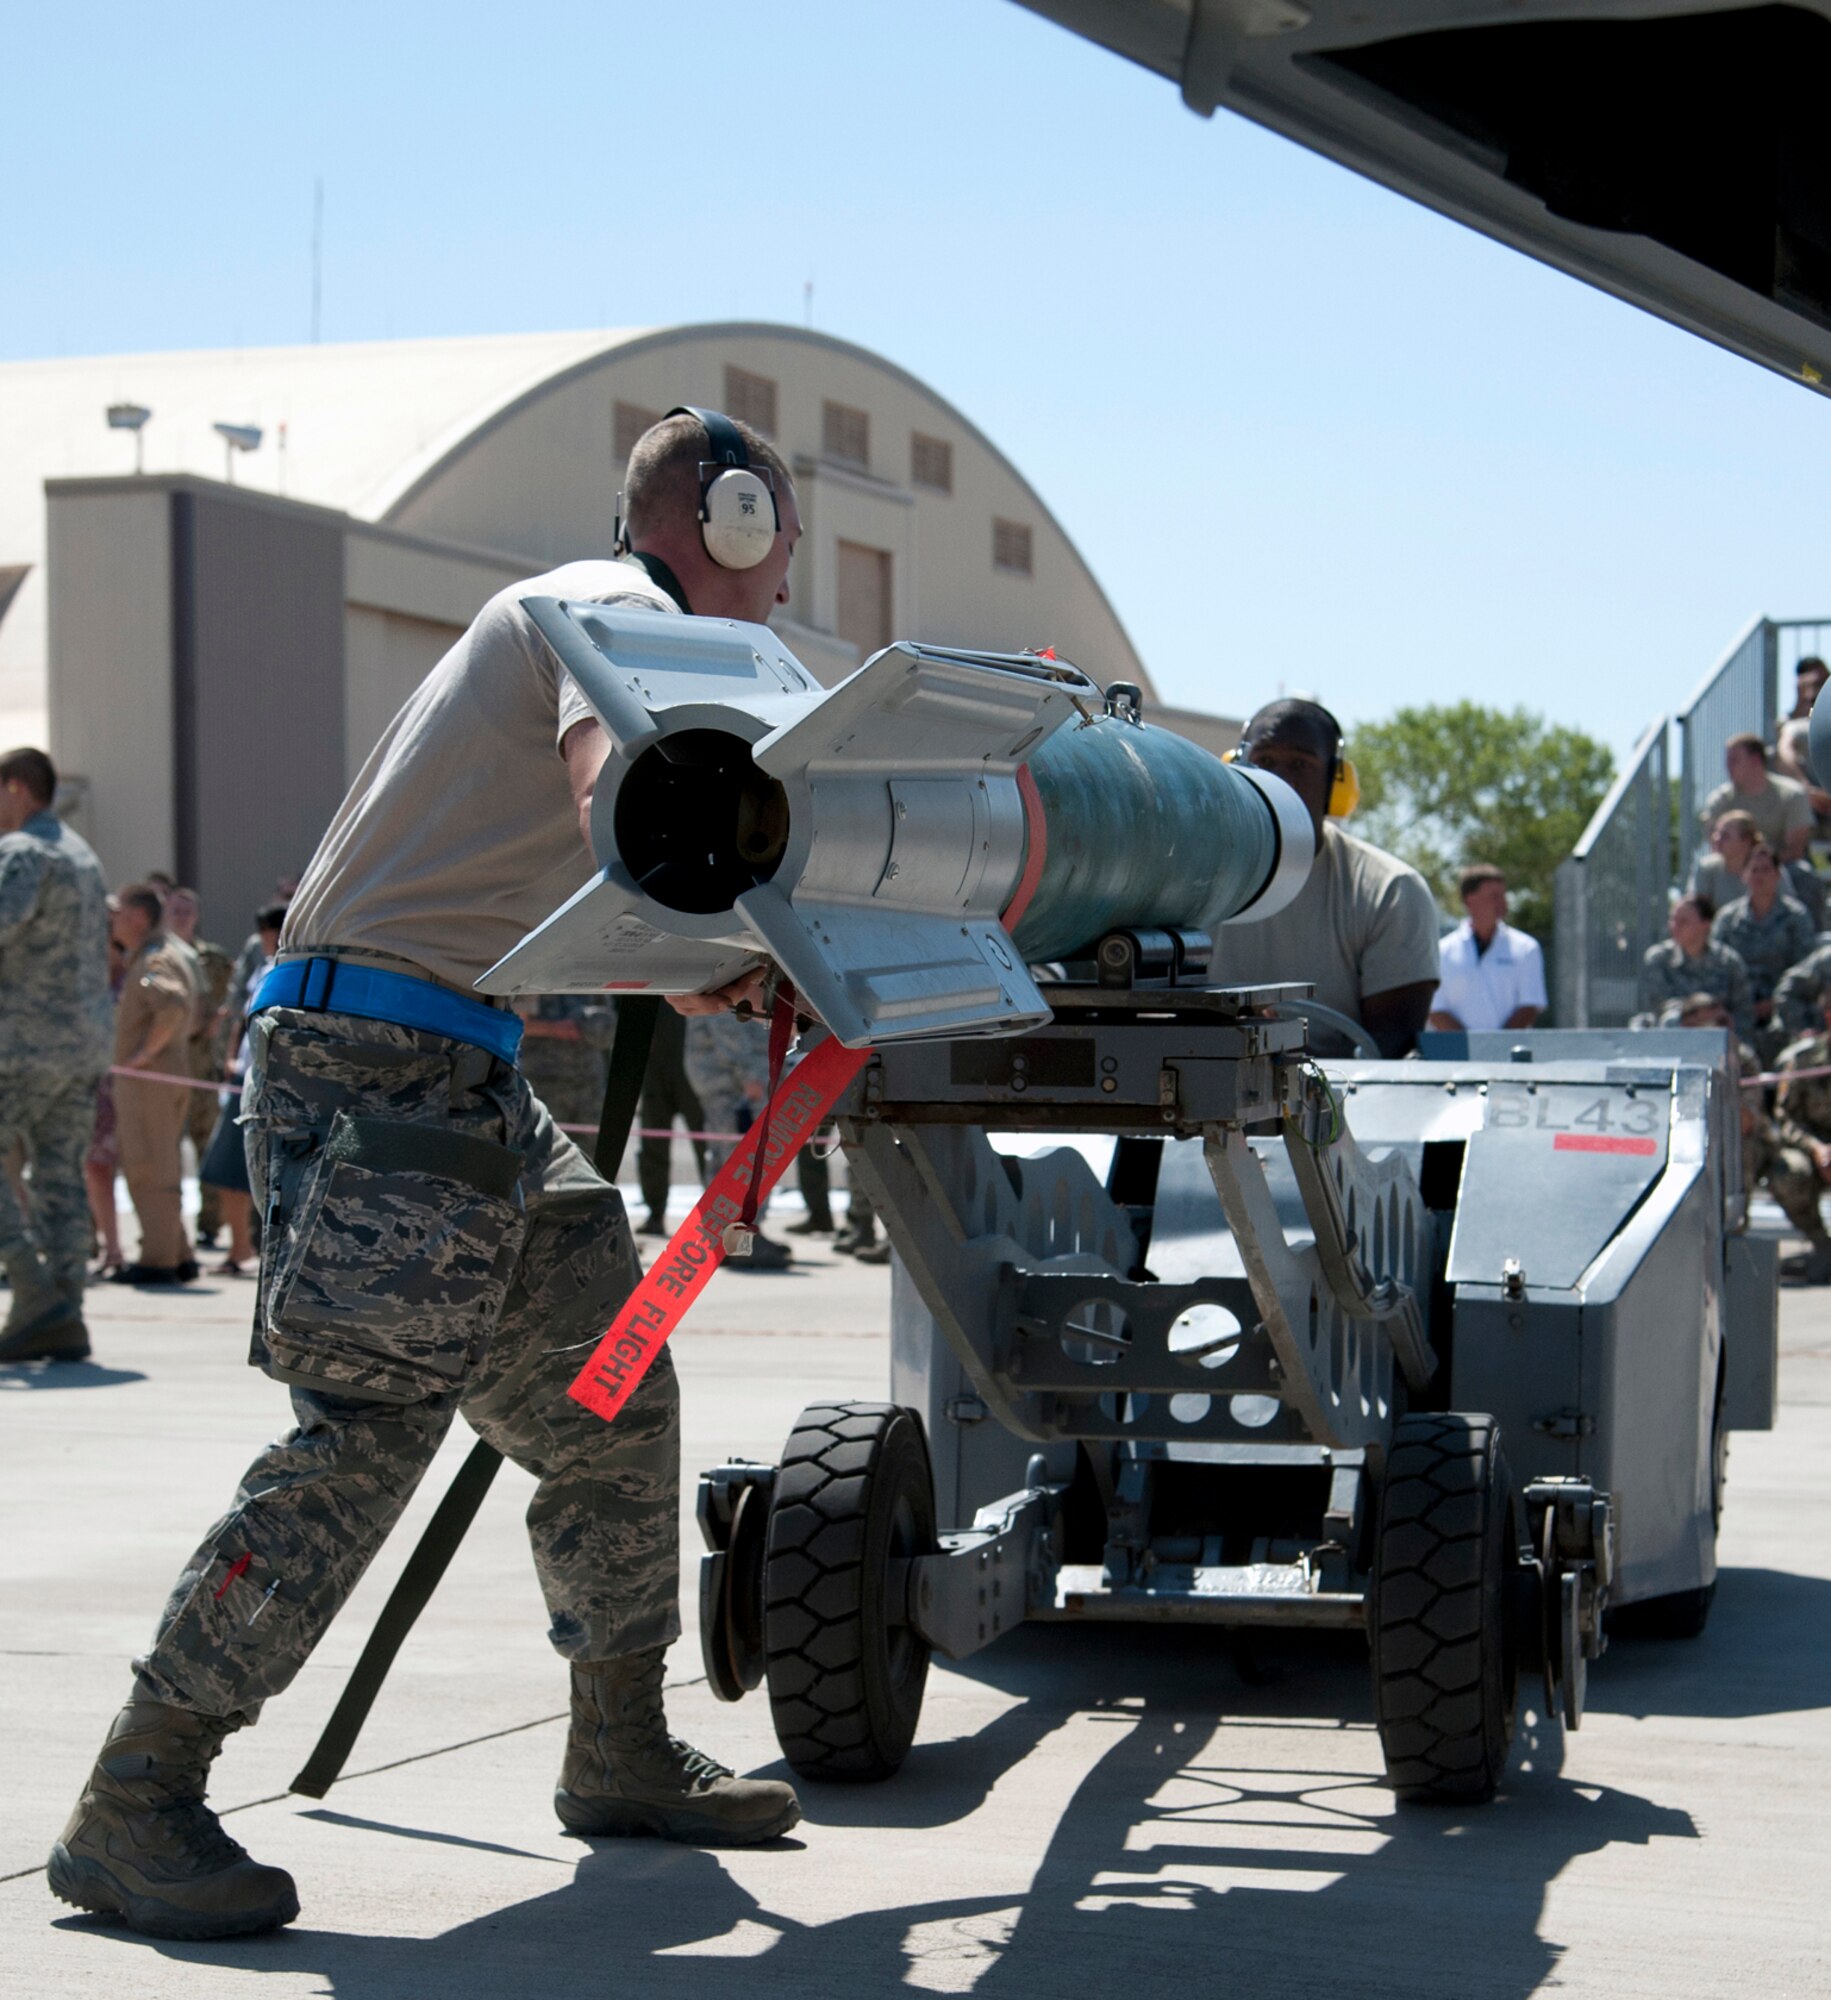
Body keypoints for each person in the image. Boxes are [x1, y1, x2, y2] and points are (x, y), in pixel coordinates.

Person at [48, 407, 804, 1940]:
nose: (781, 590)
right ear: (725, 522)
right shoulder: (612, 616)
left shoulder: (600, 630)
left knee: (613, 1378)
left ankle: (615, 1746)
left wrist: (702, 967)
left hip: (453, 1065)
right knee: (368, 1438)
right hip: (376, 1072)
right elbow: (621, 793)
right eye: (776, 552)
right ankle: (136, 1798)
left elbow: (552, 868)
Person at [1213, 698, 1441, 1056]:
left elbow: (1390, 1053)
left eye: (1300, 764)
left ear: (1337, 785)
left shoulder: (1390, 891)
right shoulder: (1187, 881)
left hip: (1341, 1103)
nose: (1280, 779)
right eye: (1265, 760)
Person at [0, 746, 112, 1362]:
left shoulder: (22, 852)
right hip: (81, 1045)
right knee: (59, 1174)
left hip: (19, 1042)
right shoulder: (83, 857)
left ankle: (33, 1287)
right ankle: (66, 1308)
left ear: (16, 788)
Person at [107, 883, 203, 1286]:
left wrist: (142, 1056)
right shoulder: (163, 953)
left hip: (150, 1078)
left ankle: (157, 1259)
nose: (112, 921)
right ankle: (177, 1252)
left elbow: (174, 1005)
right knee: (158, 1160)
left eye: (119, 913)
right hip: (162, 1074)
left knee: (148, 1163)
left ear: (138, 918)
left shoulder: (156, 957)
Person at [197, 903, 287, 1275]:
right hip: (245, 1076)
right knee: (227, 1168)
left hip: (269, 1077)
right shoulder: (265, 968)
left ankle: (252, 1248)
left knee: (261, 1170)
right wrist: (233, 1058)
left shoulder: (285, 969)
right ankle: (240, 1247)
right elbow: (244, 1018)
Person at [684, 1009, 794, 1269]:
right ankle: (743, 1245)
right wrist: (750, 1075)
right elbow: (726, 1025)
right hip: (737, 1085)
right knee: (745, 1164)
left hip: (727, 1081)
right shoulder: (730, 976)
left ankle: (723, 1242)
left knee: (727, 1161)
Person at [164, 888, 235, 1251]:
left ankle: (210, 1222)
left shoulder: (213, 959)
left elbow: (226, 1009)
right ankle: (168, 1230)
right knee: (165, 1150)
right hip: (167, 1064)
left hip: (202, 1064)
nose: (182, 916)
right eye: (175, 910)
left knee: (206, 1144)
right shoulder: (159, 957)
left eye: (187, 910)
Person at [1711, 842, 1816, 1060]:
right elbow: (1716, 964)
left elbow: (1804, 968)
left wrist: (1774, 1002)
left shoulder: (1796, 917)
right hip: (1736, 1009)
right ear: (1743, 875)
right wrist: (1743, 1005)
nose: (1759, 876)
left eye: (1766, 869)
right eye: (1753, 870)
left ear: (1778, 875)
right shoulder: (1728, 919)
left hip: (1783, 1007)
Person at [1428, 865, 1546, 1033]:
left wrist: (1496, 1047)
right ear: (1469, 900)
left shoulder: (1526, 947)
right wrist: (1470, 1048)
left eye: (1503, 895)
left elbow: (1530, 1004)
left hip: (1511, 1054)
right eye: (1493, 896)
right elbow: (1436, 1009)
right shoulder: (1442, 951)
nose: (1502, 902)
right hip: (1455, 1055)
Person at [1766, 981, 1831, 1284]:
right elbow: (1785, 1116)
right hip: (1814, 1152)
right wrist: (1816, 1148)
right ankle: (1822, 1245)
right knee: (1786, 1172)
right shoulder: (1805, 1060)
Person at [633, 1003, 708, 1238]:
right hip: (655, 1069)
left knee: (707, 1149)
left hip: (694, 1072)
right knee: (652, 1147)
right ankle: (655, 1213)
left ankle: (715, 1216)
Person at [515, 994, 617, 1155]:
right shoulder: (534, 976)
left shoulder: (592, 974)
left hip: (589, 1081)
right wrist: (555, 1029)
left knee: (598, 1153)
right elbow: (519, 1024)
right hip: (544, 1082)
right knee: (546, 1154)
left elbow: (607, 1020)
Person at [1639, 896, 1753, 1038]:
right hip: (1670, 1041)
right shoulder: (1659, 960)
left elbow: (1744, 1014)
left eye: (1684, 921)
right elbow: (1657, 1007)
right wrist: (1701, 1012)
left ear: (1705, 925)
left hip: (1720, 1043)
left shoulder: (1728, 962)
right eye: (1673, 919)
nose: (1675, 926)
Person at [1699, 732, 1814, 864]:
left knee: (1802, 872)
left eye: (1734, 760)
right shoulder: (1720, 801)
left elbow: (1794, 850)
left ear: (1755, 760)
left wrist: (1759, 869)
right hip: (1732, 871)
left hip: (1779, 869)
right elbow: (1716, 847)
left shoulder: (1792, 795)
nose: (1728, 767)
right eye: (1727, 761)